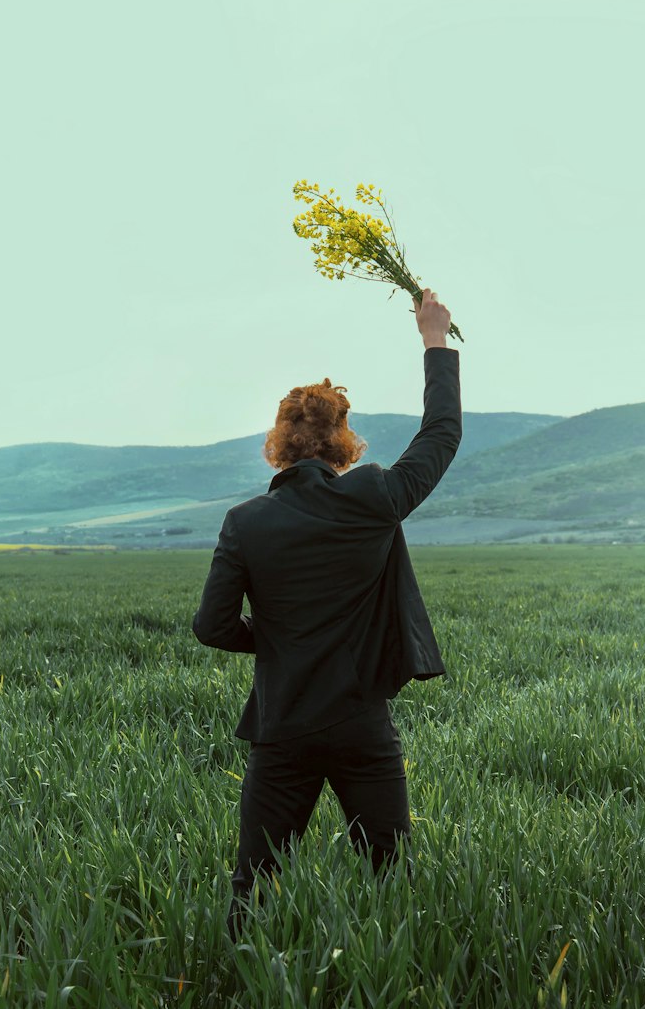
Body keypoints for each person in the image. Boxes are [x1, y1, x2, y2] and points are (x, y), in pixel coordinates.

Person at [192, 289, 462, 938]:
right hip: (361, 726)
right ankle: (398, 998)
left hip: (281, 728)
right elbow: (442, 434)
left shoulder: (245, 523)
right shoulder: (372, 497)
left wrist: (274, 639)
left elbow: (212, 625)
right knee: (390, 879)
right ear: (344, 444)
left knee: (250, 892)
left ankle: (234, 1004)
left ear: (278, 446)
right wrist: (434, 340)